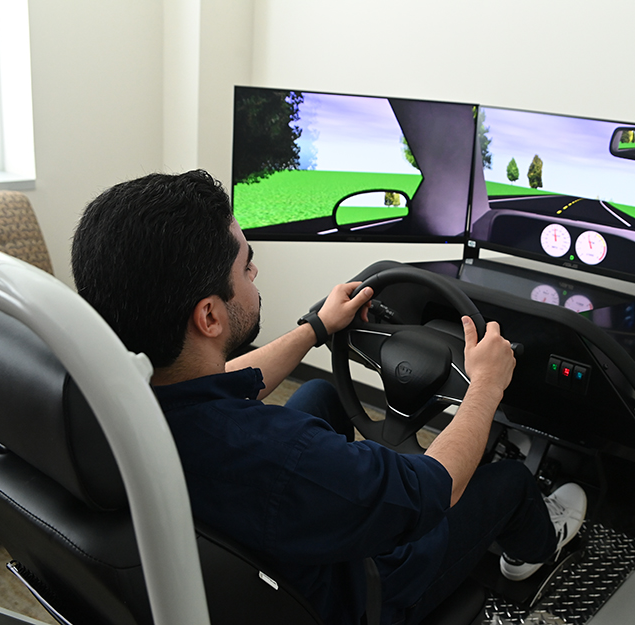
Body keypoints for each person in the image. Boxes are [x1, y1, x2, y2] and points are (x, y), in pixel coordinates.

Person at [71, 170, 587, 625]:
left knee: (320, 393)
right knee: (510, 481)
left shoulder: (109, 398)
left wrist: (316, 328)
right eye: (247, 266)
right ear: (209, 316)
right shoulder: (279, 453)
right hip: (363, 594)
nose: (255, 274)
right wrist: (485, 388)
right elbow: (434, 486)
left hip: (242, 548)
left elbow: (220, 379)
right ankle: (538, 546)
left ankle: (365, 491)